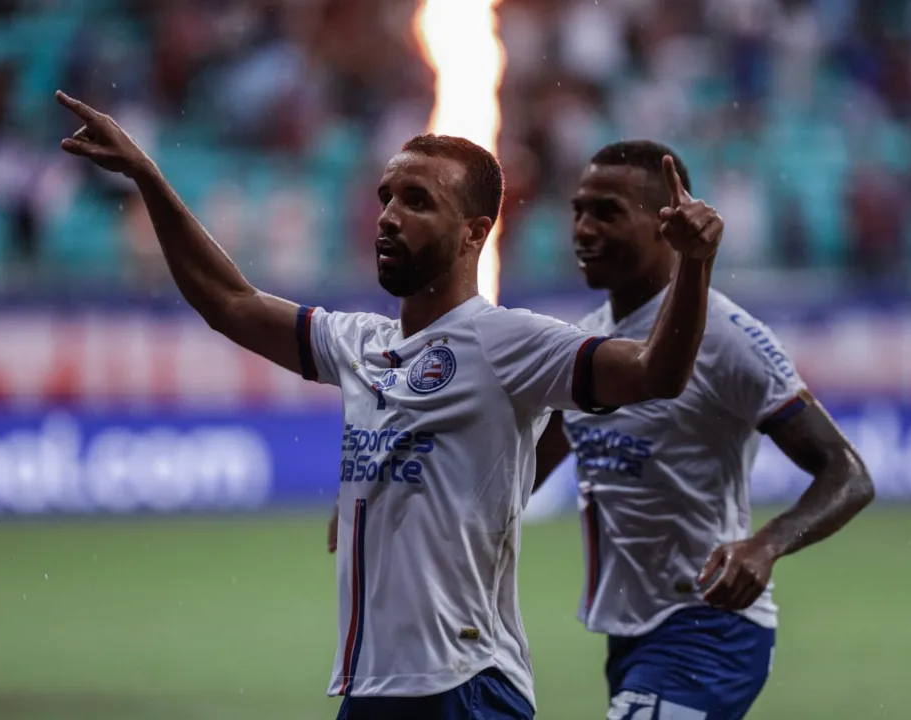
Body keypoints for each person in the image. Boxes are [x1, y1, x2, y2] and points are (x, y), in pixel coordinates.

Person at [56, 90, 722, 720]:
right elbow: (228, 301)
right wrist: (146, 175)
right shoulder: (359, 344)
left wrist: (691, 266)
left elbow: (654, 375)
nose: (389, 216)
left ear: (473, 232)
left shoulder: (507, 343)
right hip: (371, 688)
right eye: (385, 198)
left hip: (463, 687)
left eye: (417, 200)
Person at [535, 140, 876, 720]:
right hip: (630, 634)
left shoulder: (727, 338)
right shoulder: (591, 340)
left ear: (665, 225)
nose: (583, 230)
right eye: (577, 210)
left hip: (708, 629)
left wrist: (765, 545)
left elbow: (848, 473)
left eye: (607, 212)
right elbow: (520, 469)